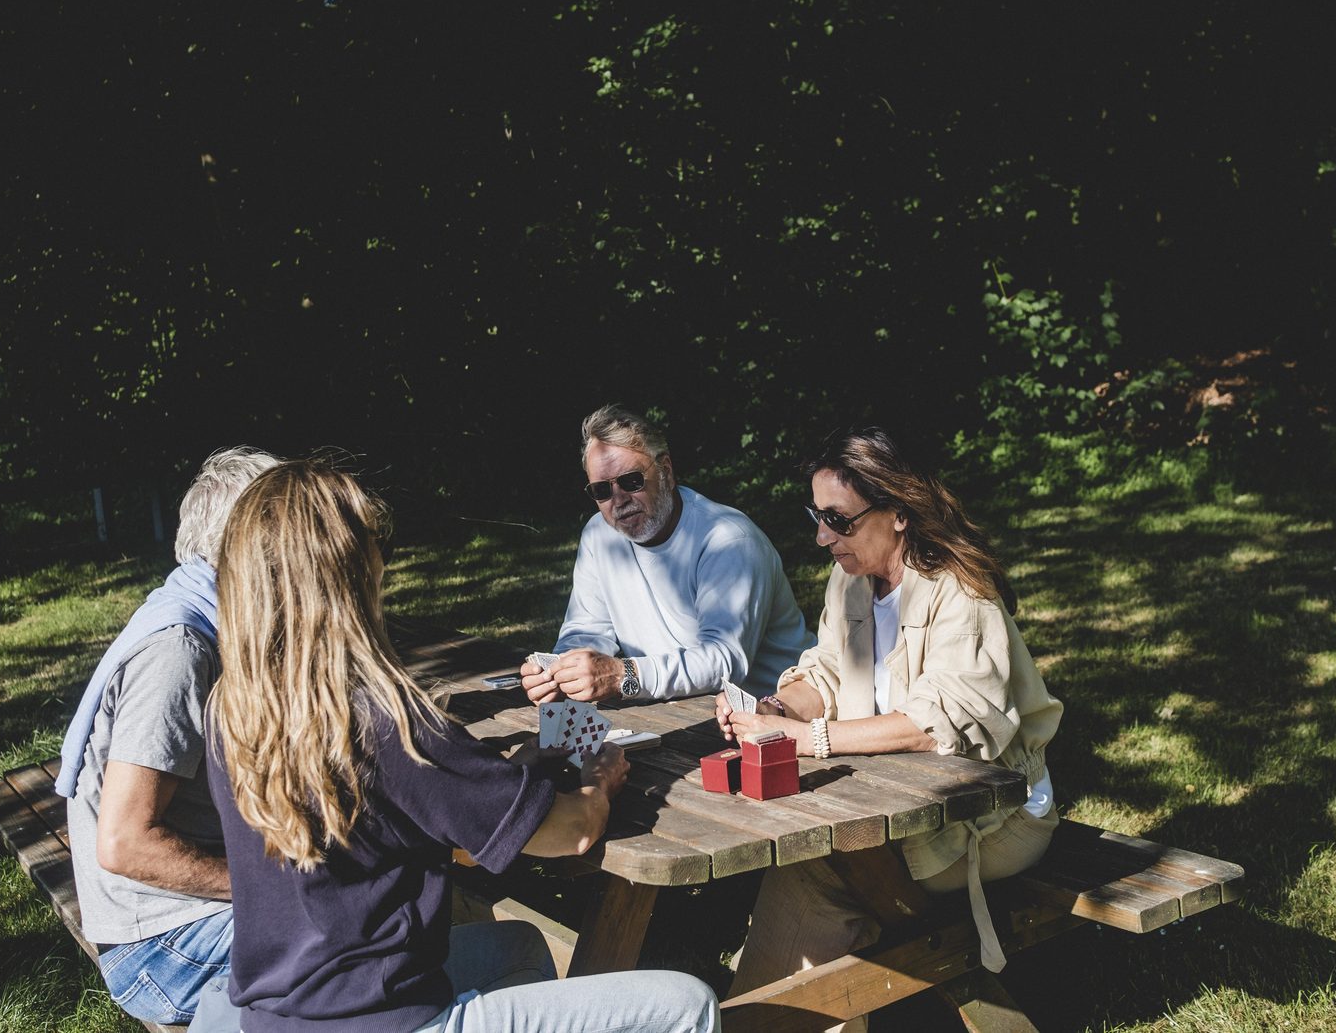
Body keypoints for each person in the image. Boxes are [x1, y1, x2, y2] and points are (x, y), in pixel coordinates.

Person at [203, 458, 720, 1032]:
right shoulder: (388, 724)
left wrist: (505, 774)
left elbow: (397, 804)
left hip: (279, 1014)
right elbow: (570, 833)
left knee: (521, 946)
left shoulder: (234, 704)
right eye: (378, 552)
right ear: (349, 575)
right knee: (686, 1005)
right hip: (387, 1021)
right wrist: (600, 778)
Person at [717, 426, 1062, 1032]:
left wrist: (814, 740)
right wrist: (777, 710)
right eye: (816, 516)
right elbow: (825, 672)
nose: (823, 537)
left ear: (898, 514)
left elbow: (937, 727)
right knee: (815, 851)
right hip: (902, 797)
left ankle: (761, 1019)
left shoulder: (960, 593)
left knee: (821, 864)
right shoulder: (851, 578)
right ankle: (773, 1013)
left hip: (993, 818)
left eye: (839, 520)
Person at [58, 445, 278, 1032]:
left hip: (171, 925)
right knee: (362, 917)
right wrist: (261, 884)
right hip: (159, 949)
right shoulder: (179, 650)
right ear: (246, 545)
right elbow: (126, 844)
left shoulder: (203, 616)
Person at [522, 404, 812, 706]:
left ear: (666, 471)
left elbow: (724, 660)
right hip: (678, 711)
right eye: (601, 491)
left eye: (631, 481)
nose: (619, 500)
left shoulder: (728, 540)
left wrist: (626, 675)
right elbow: (587, 628)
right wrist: (559, 671)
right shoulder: (599, 535)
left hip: (771, 714)